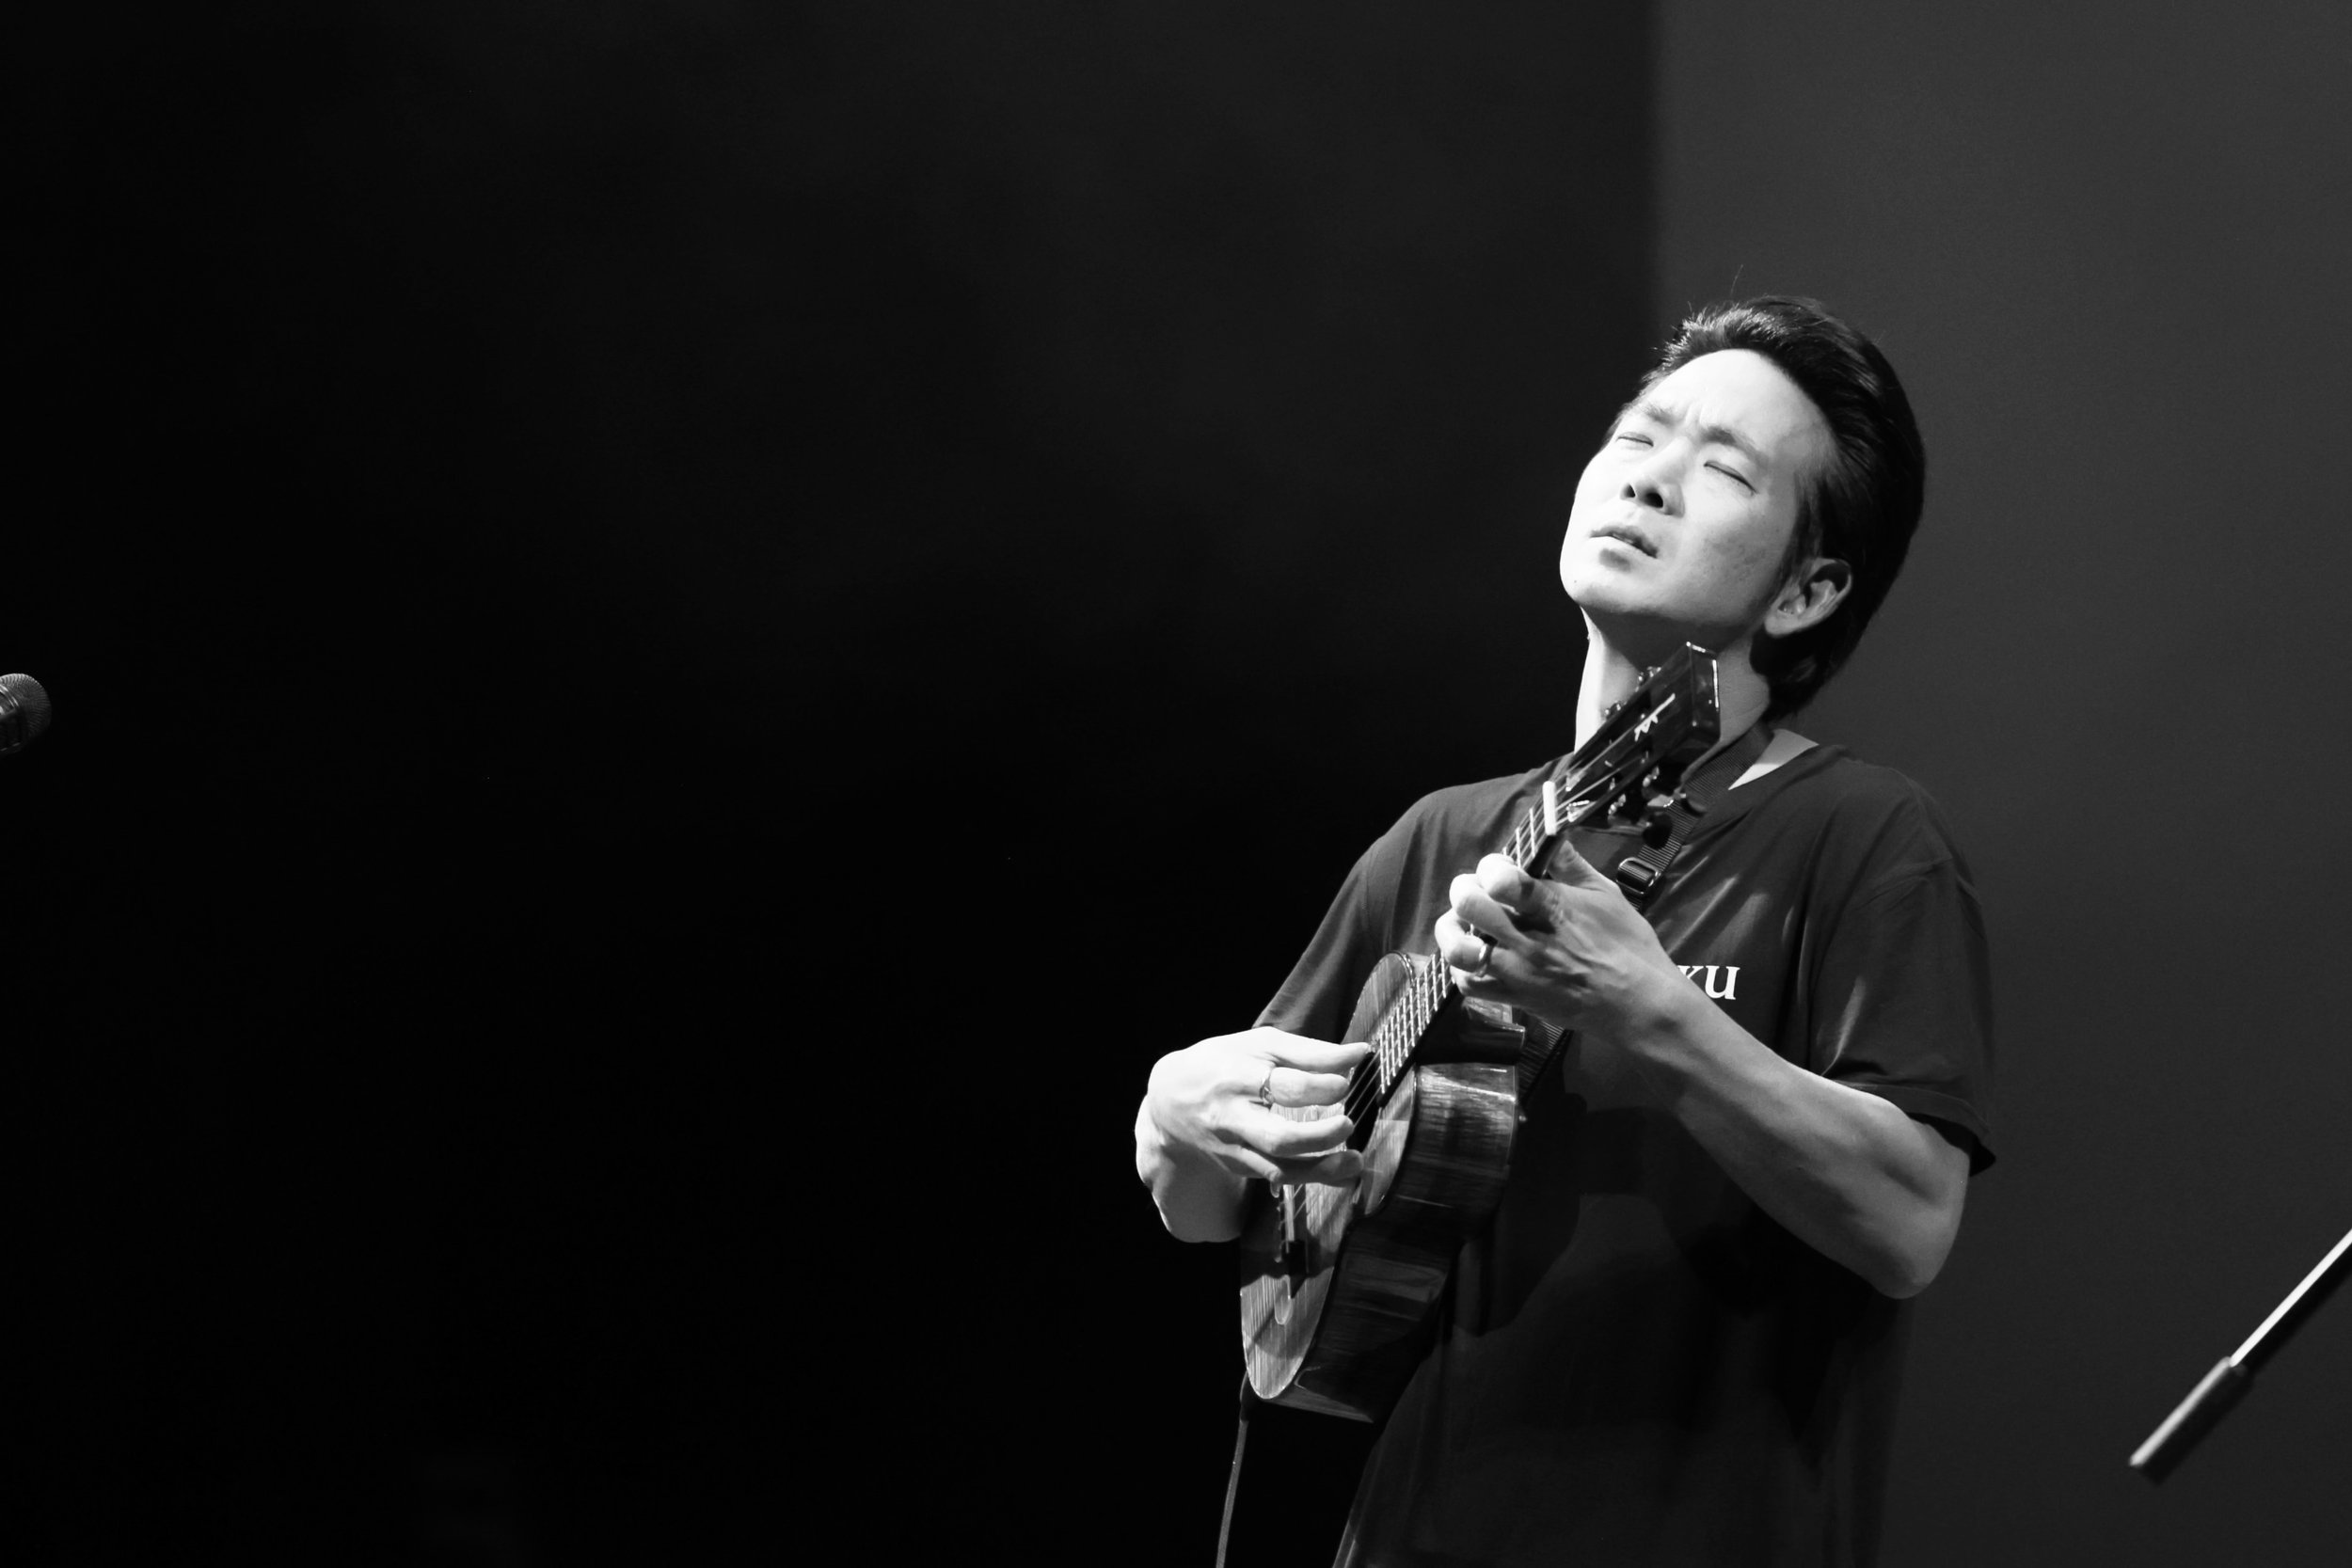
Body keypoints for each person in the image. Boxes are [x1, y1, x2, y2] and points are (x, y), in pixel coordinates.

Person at [1134, 296, 1994, 1567]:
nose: (1648, 479)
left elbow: (1911, 1222)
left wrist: (1658, 1015)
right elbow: (1224, 1214)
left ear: (1809, 590)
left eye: (1721, 470)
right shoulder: (1438, 838)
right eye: (1639, 436)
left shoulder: (1866, 836)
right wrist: (1172, 1119)